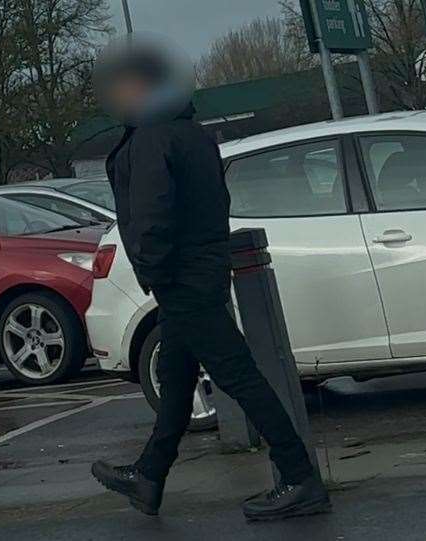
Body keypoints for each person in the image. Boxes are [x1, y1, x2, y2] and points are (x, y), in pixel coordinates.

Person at [90, 34, 330, 522]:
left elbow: (154, 214)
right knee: (177, 380)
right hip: (198, 270)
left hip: (182, 278)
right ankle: (150, 476)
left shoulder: (155, 136)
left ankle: (300, 476)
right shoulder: (189, 132)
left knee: (238, 374)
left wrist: (153, 271)